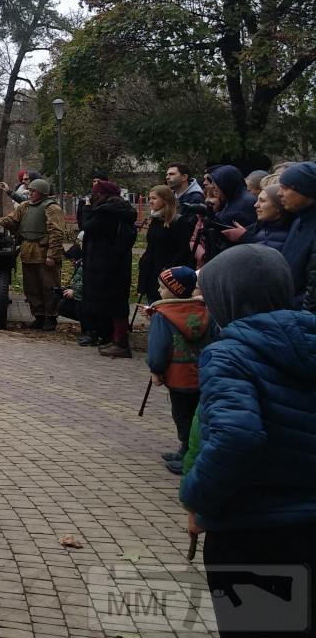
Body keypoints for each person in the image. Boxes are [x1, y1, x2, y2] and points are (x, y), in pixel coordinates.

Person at [179, 245, 316, 638]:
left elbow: (236, 437)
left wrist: (197, 499)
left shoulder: (229, 355)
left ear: (229, 297)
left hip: (253, 533)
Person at [144, 266, 209, 475]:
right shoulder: (205, 311)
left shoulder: (163, 315)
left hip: (178, 376)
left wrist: (156, 369)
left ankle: (190, 454)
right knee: (197, 414)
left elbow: (159, 347)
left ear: (175, 289)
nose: (159, 291)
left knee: (182, 415)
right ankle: (185, 449)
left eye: (162, 287)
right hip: (202, 373)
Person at [0, 178, 66, 331]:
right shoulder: (24, 206)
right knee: (31, 287)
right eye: (29, 191)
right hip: (28, 252)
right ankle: (39, 316)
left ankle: (51, 317)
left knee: (49, 286)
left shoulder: (52, 208)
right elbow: (12, 219)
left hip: (44, 253)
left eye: (33, 191)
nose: (30, 193)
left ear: (42, 192)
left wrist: (52, 255)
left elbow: (57, 233)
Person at [79, 180, 138, 356]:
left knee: (115, 305)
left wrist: (87, 208)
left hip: (107, 264)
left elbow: (87, 227)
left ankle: (120, 343)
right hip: (114, 263)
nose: (92, 195)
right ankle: (114, 339)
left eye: (95, 193)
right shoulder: (119, 210)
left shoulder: (106, 212)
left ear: (103, 194)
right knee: (114, 303)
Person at [137, 185, 195, 304]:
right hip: (150, 272)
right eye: (150, 198)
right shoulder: (156, 219)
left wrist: (168, 268)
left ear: (165, 199)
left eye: (154, 198)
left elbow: (183, 250)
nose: (150, 201)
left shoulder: (178, 222)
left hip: (166, 275)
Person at [279, 161, 316, 311]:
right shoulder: (299, 221)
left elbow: (312, 296)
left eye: (285, 188)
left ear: (306, 191)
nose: (279, 193)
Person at [224, 180, 291, 253]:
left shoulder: (290, 233)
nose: (255, 205)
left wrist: (245, 237)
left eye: (262, 201)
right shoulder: (261, 226)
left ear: (278, 206)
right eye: (257, 200)